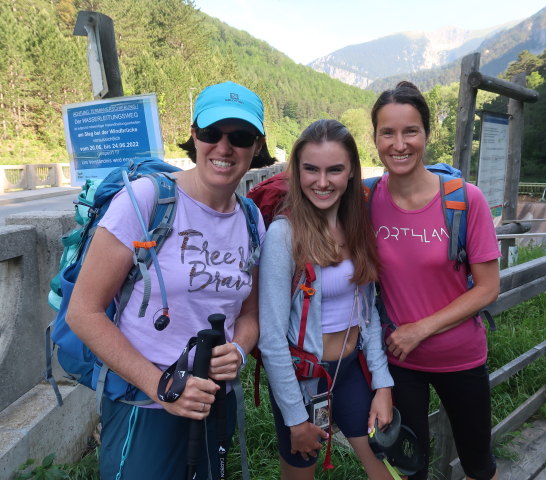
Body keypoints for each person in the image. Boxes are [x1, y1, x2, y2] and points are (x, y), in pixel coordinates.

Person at [67, 81, 272, 479]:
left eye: (241, 136)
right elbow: (84, 312)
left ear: (257, 146)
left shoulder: (250, 219)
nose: (224, 147)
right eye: (212, 133)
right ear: (194, 135)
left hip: (214, 402)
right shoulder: (147, 200)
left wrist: (240, 350)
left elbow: (250, 312)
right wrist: (162, 386)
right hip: (144, 405)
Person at [369, 81, 501, 480]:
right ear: (374, 137)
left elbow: (488, 287)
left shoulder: (464, 199)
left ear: (426, 134)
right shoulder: (365, 201)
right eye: (387, 132)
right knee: (410, 470)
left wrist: (419, 330)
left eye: (410, 131)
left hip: (460, 357)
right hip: (400, 363)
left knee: (479, 466)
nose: (399, 143)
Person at [258, 119, 395, 479]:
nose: (322, 182)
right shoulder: (284, 235)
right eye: (311, 170)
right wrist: (295, 419)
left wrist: (382, 384)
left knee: (383, 467)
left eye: (334, 170)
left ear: (351, 172)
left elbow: (368, 314)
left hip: (350, 372)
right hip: (303, 381)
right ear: (297, 171)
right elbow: (271, 338)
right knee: (301, 473)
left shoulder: (357, 226)